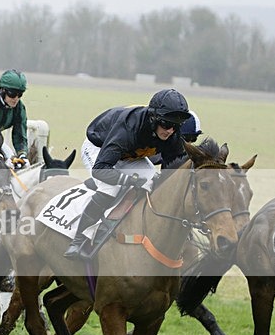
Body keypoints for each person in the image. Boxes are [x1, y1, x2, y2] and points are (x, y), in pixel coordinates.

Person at [65, 88, 192, 259]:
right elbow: (100, 169)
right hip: (99, 148)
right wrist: (128, 179)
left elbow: (170, 173)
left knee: (153, 182)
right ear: (153, 118)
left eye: (175, 126)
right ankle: (78, 239)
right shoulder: (128, 129)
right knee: (110, 189)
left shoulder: (172, 136)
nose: (170, 131)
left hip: (130, 154)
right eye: (166, 124)